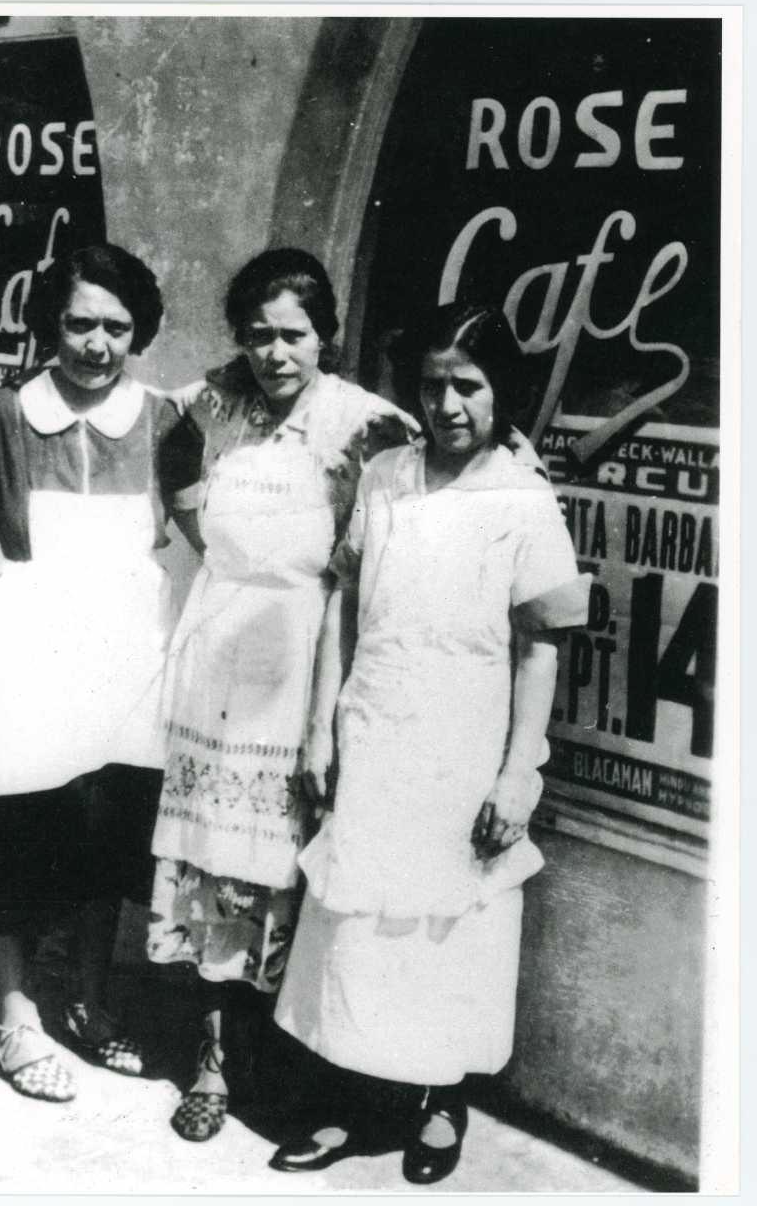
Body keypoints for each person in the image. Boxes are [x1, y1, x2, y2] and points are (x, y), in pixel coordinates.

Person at [269, 302, 590, 1183]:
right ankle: (344, 1100)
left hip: (464, 746)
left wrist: (520, 771)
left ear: (501, 391)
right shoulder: (383, 477)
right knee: (360, 928)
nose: (447, 404)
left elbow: (542, 645)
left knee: (448, 929)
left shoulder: (524, 499)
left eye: (469, 385)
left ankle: (443, 1100)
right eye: (432, 384)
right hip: (375, 734)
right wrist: (319, 728)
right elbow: (343, 602)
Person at [147, 248, 421, 1141]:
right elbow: (175, 480)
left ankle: (294, 1064)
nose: (275, 353)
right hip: (216, 656)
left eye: (294, 335)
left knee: (294, 866)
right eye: (258, 335)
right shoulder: (208, 404)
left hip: (311, 658)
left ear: (325, 335)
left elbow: (452, 468)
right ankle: (216, 1064)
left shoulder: (370, 424)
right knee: (212, 870)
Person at [0, 243, 183, 1103]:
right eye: (79, 323)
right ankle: (14, 1017)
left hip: (126, 663)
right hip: (31, 658)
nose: (97, 344)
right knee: (18, 844)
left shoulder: (168, 422)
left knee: (106, 841)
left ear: (138, 329)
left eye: (116, 326)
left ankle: (93, 1007)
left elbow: (208, 525)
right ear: (48, 323)